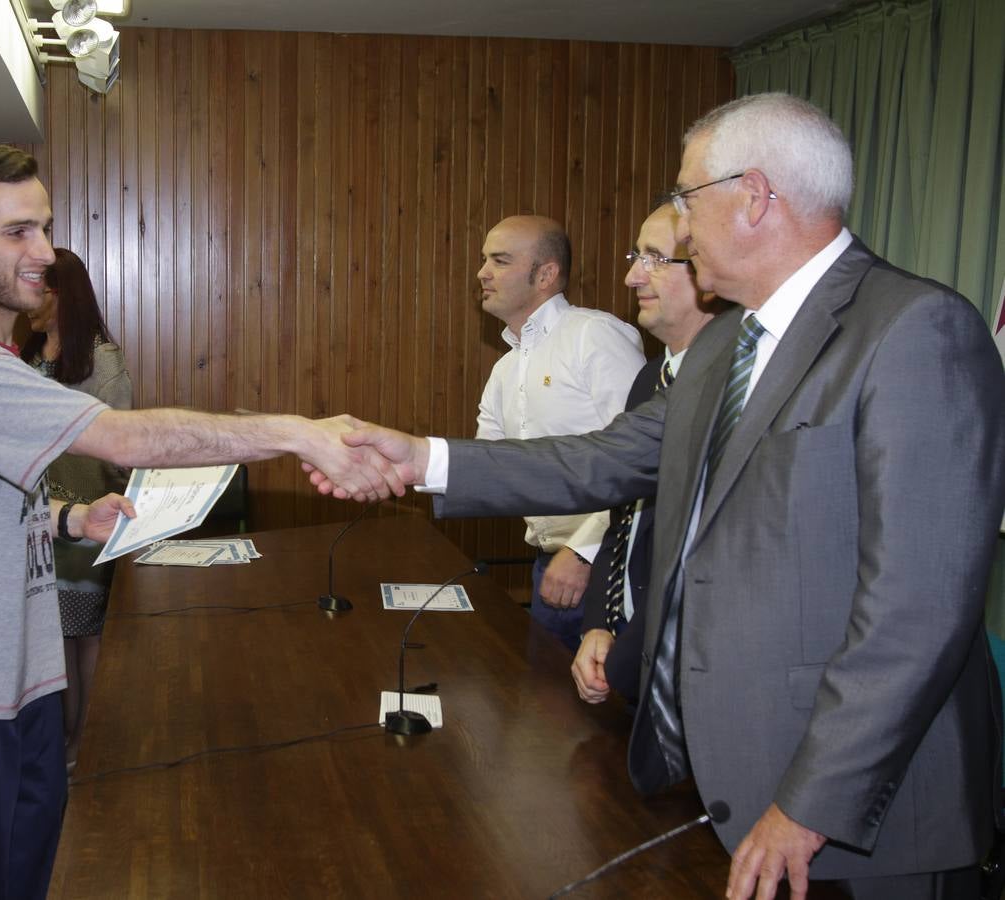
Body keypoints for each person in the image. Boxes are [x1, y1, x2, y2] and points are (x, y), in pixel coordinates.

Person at [317, 94, 1005, 899]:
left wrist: (810, 802)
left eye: (685, 198)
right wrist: (420, 459)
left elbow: (916, 612)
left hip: (863, 815)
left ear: (754, 196)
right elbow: (601, 461)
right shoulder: (727, 350)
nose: (677, 225)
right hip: (738, 782)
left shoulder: (913, 331)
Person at [0, 143, 397, 900]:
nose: (44, 253)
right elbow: (125, 437)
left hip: (20, 685)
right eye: (17, 232)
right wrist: (294, 430)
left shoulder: (1, 360)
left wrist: (72, 515)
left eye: (44, 228)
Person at [572, 202, 722, 707]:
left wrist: (624, 658)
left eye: (655, 258)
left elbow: (697, 567)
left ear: (708, 273)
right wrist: (599, 624)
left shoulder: (735, 389)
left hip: (683, 676)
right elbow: (625, 519)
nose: (633, 276)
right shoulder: (650, 377)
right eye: (636, 255)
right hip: (625, 653)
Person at [474, 215, 643, 650]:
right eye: (484, 260)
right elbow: (486, 469)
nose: (482, 272)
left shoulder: (595, 336)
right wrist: (392, 466)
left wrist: (585, 552)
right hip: (550, 565)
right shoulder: (505, 368)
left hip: (612, 566)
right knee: (552, 710)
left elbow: (644, 459)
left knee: (607, 711)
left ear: (546, 274)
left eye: (500, 260)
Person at [21, 247, 132, 770]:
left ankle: (83, 750)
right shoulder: (30, 357)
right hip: (44, 524)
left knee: (86, 640)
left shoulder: (101, 362)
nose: (29, 303)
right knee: (55, 640)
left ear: (62, 295)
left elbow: (120, 449)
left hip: (90, 522)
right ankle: (62, 746)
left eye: (40, 290)